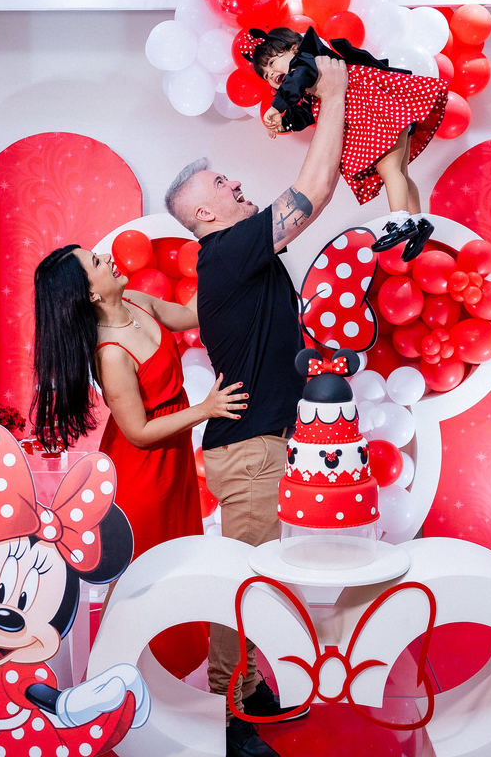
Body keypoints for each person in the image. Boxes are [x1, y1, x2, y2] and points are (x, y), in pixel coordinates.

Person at [163, 54, 348, 757]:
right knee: (244, 584)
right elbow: (315, 189)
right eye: (221, 183)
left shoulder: (229, 263)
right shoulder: (230, 248)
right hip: (250, 452)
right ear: (205, 214)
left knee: (255, 577)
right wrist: (334, 89)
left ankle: (248, 689)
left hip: (255, 447)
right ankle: (230, 715)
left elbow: (194, 317)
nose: (236, 182)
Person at [32, 243, 245, 678]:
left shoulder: (136, 301)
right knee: (138, 581)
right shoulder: (110, 353)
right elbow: (139, 432)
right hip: (142, 473)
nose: (109, 258)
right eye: (97, 262)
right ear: (91, 293)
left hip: (173, 461)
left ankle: (149, 682)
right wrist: (206, 409)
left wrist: (225, 258)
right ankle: (105, 684)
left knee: (173, 569)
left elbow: (190, 314)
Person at [242, 26, 449, 261]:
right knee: (399, 171)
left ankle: (400, 221)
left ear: (294, 49)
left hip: (382, 112)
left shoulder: (307, 62)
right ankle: (418, 222)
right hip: (385, 113)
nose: (271, 74)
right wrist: (285, 123)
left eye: (272, 63)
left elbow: (297, 79)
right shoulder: (314, 85)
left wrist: (277, 106)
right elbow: (307, 114)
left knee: (388, 168)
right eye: (266, 75)